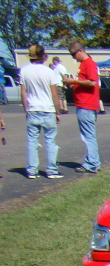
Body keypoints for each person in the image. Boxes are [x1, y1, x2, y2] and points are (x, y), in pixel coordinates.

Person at [21, 44, 65, 179]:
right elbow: (54, 94)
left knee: (32, 141)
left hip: (33, 109)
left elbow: (23, 93)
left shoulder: (24, 71)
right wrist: (58, 111)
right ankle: (52, 170)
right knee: (50, 140)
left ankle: (32, 170)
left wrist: (26, 109)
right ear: (43, 56)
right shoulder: (49, 72)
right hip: (48, 109)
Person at [64, 41, 101, 173]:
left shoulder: (89, 63)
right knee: (88, 135)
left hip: (86, 105)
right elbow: (85, 83)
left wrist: (74, 81)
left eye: (73, 54)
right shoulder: (84, 64)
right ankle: (93, 162)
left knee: (88, 136)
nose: (73, 58)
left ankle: (92, 163)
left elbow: (92, 83)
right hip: (84, 104)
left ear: (80, 51)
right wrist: (73, 85)